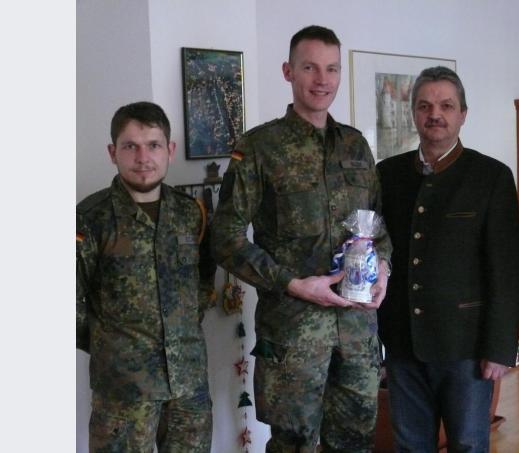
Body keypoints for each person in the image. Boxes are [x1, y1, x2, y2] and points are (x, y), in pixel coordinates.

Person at [210, 25, 392, 452]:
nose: (322, 79)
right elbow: (225, 237)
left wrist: (383, 265)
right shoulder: (259, 147)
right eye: (310, 67)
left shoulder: (356, 146)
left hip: (357, 332)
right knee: (293, 444)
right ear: (288, 71)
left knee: (355, 442)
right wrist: (291, 283)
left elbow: (379, 227)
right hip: (294, 336)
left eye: (331, 69)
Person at [377, 66, 519, 452]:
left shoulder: (490, 176)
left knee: (467, 444)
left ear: (463, 113)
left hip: (467, 348)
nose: (435, 114)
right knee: (410, 445)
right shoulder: (388, 175)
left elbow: (507, 270)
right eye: (425, 105)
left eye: (446, 105)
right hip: (403, 342)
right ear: (413, 113)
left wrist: (499, 348)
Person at [76, 101, 217, 452]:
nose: (143, 157)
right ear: (113, 152)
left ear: (170, 150)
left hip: (188, 388)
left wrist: (184, 325)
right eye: (130, 146)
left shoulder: (191, 213)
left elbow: (204, 278)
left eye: (153, 145)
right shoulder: (90, 218)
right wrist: (114, 347)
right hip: (124, 393)